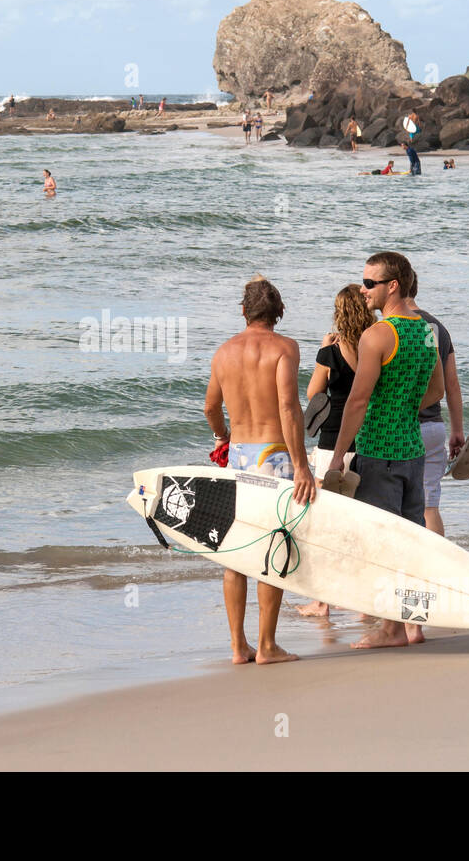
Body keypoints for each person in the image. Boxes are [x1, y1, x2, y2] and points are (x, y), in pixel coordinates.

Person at [323, 252, 444, 649]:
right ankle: (414, 625)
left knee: (385, 545)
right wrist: (404, 404)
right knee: (414, 541)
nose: (363, 289)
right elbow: (437, 391)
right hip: (412, 449)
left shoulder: (376, 336)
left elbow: (357, 402)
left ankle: (391, 629)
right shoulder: (426, 331)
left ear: (392, 286)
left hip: (379, 451)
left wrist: (340, 454)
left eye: (369, 283)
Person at [203, 276, 313, 665]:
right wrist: (301, 466)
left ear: (243, 310)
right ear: (279, 312)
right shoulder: (285, 348)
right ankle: (266, 646)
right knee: (273, 547)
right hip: (274, 455)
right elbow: (287, 407)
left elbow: (211, 408)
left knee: (235, 553)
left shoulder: (223, 353)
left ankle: (238, 647)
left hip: (239, 458)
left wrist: (222, 436)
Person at [298, 284, 376, 618]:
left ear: (339, 313)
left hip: (332, 444)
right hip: (369, 441)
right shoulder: (378, 346)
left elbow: (313, 393)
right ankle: (362, 601)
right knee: (362, 523)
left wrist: (322, 352)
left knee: (325, 522)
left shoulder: (329, 353)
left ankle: (322, 601)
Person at [402, 275, 465, 537]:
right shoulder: (438, 327)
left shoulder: (394, 326)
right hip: (434, 427)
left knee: (396, 508)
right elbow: (452, 386)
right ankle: (436, 569)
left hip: (403, 428)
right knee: (430, 508)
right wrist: (457, 431)